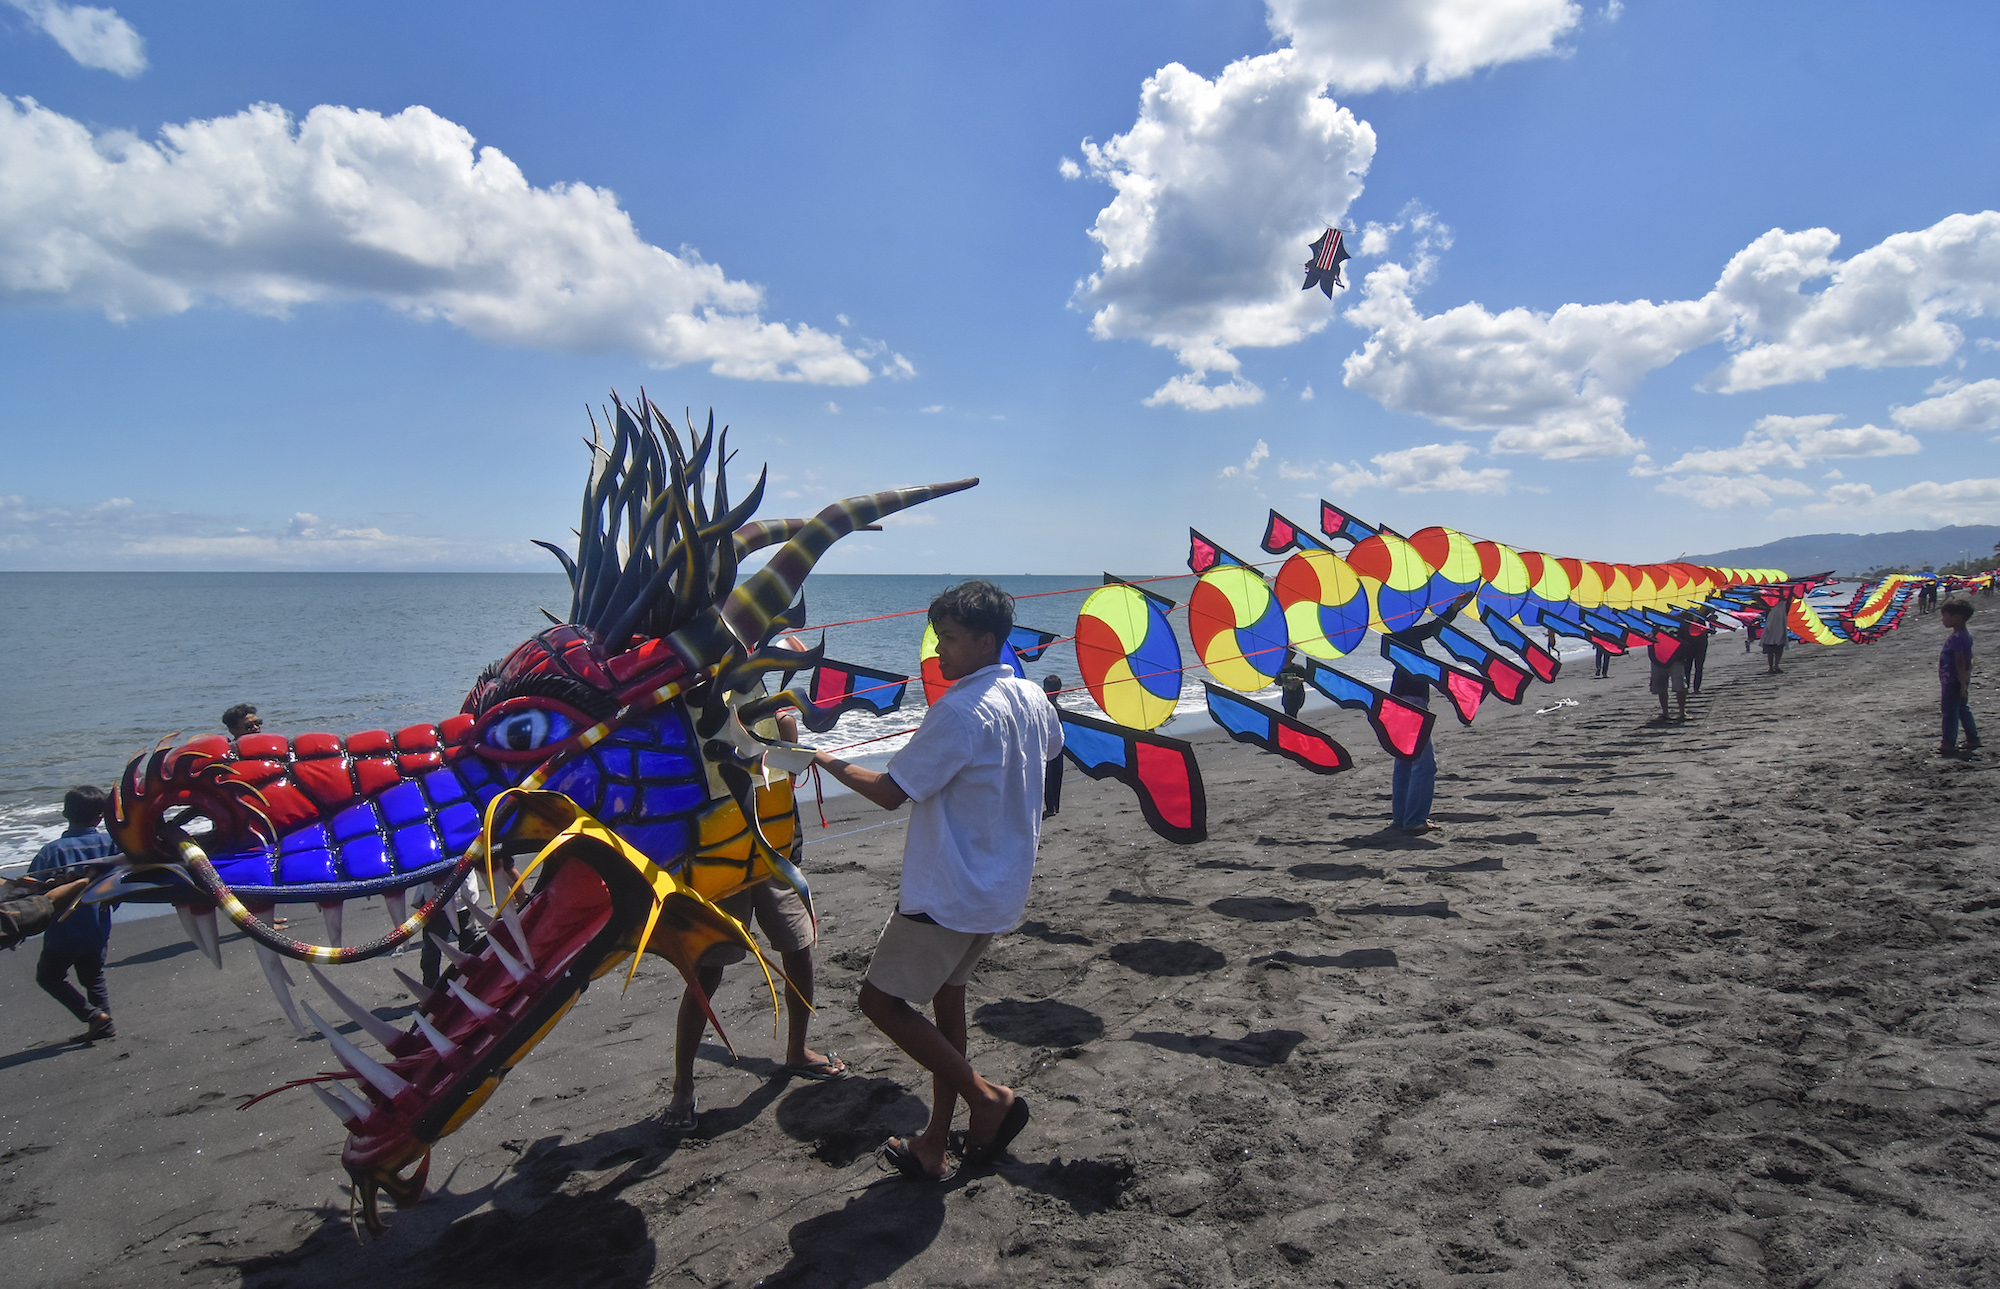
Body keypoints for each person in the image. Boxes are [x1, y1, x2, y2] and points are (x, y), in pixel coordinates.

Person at [812, 580, 1060, 1181]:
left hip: (950, 889)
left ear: (985, 640)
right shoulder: (1029, 696)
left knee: (880, 1001)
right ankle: (932, 1140)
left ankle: (987, 1100)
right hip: (999, 886)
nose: (939, 650)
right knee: (948, 999)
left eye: (948, 638)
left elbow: (893, 792)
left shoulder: (960, 708)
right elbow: (1051, 751)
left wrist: (822, 759)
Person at [666, 709, 843, 1130]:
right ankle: (683, 1086)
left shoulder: (761, 686)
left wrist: (785, 718)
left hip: (772, 841)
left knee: (798, 947)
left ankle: (797, 1050)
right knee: (706, 970)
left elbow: (788, 755)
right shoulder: (687, 694)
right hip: (717, 847)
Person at [28, 786, 120, 1041]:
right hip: (97, 926)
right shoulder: (110, 843)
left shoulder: (53, 851)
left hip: (63, 929)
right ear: (101, 816)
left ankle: (94, 1017)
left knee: (49, 977)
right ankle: (104, 1022)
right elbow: (124, 878)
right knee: (94, 977)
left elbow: (35, 889)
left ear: (65, 813)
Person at [1388, 667, 1438, 836]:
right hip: (1412, 700)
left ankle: (1401, 817)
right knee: (1424, 766)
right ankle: (1414, 820)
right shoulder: (1406, 643)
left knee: (1405, 760)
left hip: (1400, 696)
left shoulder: (1400, 644)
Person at [1939, 599, 1980, 756]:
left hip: (1953, 681)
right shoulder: (1964, 636)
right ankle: (1973, 738)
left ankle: (1948, 743)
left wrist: (1962, 684)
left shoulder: (1957, 638)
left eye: (1945, 616)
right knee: (1962, 709)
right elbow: (1970, 658)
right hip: (1958, 680)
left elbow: (1960, 660)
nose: (1943, 619)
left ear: (1957, 618)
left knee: (1949, 711)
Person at [1649, 632, 1690, 723]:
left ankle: (1682, 712)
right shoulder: (1652, 625)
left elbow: (1688, 636)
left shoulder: (1679, 622)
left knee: (1680, 686)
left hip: (1677, 658)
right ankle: (1665, 713)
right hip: (1658, 658)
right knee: (1661, 687)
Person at [1041, 675, 1066, 818]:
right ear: (1059, 691)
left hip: (1045, 746)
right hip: (1056, 746)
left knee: (1048, 776)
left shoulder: (1043, 706)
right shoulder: (1056, 708)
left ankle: (1051, 807)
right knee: (1055, 776)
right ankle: (1054, 806)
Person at [1761, 597, 1789, 674]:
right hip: (1774, 629)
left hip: (1774, 629)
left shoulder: (1781, 605)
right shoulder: (1781, 605)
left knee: (1775, 650)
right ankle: (1774, 667)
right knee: (1775, 650)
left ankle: (1773, 667)